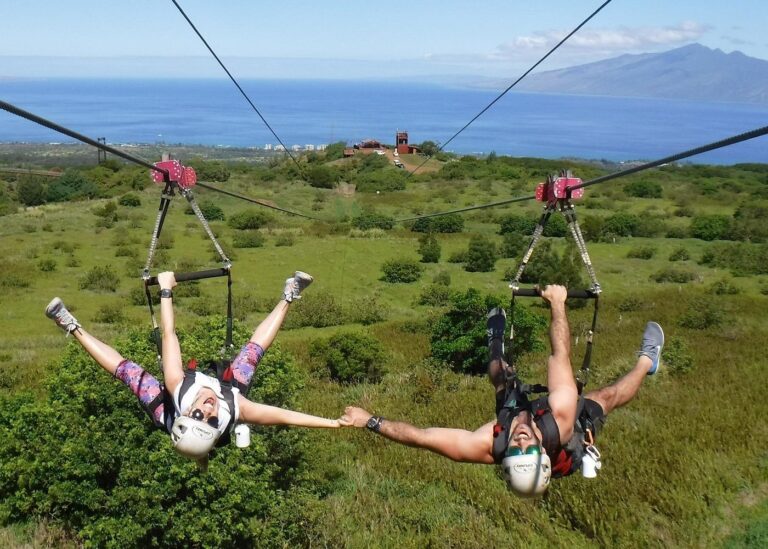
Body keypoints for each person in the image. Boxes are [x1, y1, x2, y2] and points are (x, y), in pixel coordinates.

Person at [340, 285, 664, 497]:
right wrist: (557, 304)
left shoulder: (486, 446)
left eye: (515, 451)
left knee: (502, 379)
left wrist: (370, 420)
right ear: (542, 451)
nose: (521, 442)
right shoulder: (561, 422)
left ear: (505, 458)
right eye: (529, 449)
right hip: (570, 430)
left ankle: (495, 338)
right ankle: (648, 361)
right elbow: (559, 355)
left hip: (522, 414)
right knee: (607, 397)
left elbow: (421, 437)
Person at [46, 270, 342, 466]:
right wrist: (334, 424)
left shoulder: (177, 388)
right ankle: (289, 294)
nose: (209, 410)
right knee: (251, 354)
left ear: (188, 412)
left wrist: (165, 290)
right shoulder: (236, 409)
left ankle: (69, 325)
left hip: (168, 410)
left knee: (130, 373)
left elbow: (168, 335)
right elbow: (287, 417)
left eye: (199, 414)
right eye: (211, 420)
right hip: (227, 395)